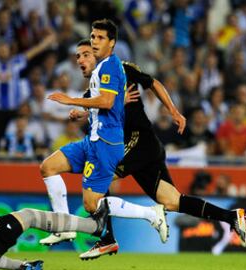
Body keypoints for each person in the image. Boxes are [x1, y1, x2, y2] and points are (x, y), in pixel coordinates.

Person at [57, 39, 246, 259]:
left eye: (85, 55)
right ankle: (232, 217)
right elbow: (97, 107)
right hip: (144, 147)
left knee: (102, 177)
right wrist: (80, 112)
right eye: (78, 57)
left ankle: (108, 239)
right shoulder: (94, 87)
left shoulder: (121, 69)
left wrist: (174, 111)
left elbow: (153, 83)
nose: (81, 61)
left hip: (139, 140)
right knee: (172, 201)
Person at [41, 19, 168, 247]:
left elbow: (108, 102)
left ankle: (151, 214)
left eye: (97, 40)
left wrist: (72, 100)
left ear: (111, 42)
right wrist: (84, 111)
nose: (81, 59)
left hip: (106, 143)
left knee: (92, 204)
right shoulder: (100, 72)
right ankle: (63, 227)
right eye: (92, 38)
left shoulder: (109, 66)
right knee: (48, 167)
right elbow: (108, 104)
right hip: (91, 140)